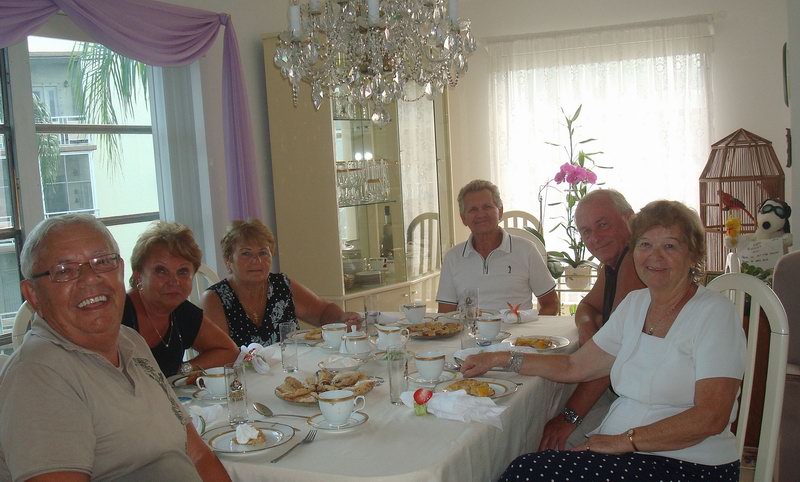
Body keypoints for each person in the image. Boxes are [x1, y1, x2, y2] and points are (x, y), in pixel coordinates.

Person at [463, 200, 746, 481]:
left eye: (670, 246)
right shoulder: (636, 304)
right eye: (645, 245)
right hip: (627, 453)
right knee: (524, 466)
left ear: (693, 255)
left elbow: (711, 416)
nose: (654, 256)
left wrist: (625, 440)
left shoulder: (715, 314)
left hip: (688, 463)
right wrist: (501, 358)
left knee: (527, 473)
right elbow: (574, 366)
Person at [0, 214, 230, 481]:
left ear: (120, 270)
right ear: (33, 295)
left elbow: (198, 455)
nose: (90, 278)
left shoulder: (130, 341)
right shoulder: (38, 375)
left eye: (102, 262)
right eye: (64, 270)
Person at [539, 189, 645, 450]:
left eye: (603, 225)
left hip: (640, 404)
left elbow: (609, 356)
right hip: (622, 390)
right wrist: (587, 325)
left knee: (546, 440)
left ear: (629, 219)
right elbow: (586, 306)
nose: (594, 238)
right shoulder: (611, 265)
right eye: (586, 231)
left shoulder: (634, 262)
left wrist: (569, 418)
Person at [201, 219, 361, 346]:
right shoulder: (215, 299)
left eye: (263, 253)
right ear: (228, 261)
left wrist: (342, 318)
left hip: (290, 372)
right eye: (246, 254)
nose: (257, 260)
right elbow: (219, 353)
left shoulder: (281, 285)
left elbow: (322, 312)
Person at [122, 222, 238, 377]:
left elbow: (229, 351)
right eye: (161, 271)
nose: (174, 281)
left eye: (182, 271)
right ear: (138, 276)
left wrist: (183, 370)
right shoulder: (119, 314)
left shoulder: (181, 310)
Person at [436, 179, 559, 314]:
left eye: (487, 207)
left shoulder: (526, 250)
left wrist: (532, 327)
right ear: (463, 218)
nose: (481, 214)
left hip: (518, 328)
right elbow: (445, 314)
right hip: (469, 327)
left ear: (500, 211)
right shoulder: (452, 258)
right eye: (473, 209)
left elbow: (551, 304)